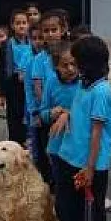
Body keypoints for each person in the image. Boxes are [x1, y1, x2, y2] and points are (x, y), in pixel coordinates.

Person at [49, 35, 111, 221]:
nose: (72, 66)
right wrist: (66, 115)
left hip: (92, 164)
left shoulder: (101, 91)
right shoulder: (82, 85)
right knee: (67, 207)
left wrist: (89, 168)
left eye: (76, 61)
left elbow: (96, 134)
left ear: (87, 63)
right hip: (69, 157)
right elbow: (77, 113)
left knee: (95, 209)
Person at [28, 12, 68, 184]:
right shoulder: (39, 60)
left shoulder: (71, 54)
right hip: (49, 114)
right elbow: (38, 88)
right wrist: (43, 111)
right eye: (46, 31)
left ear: (63, 29)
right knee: (49, 154)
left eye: (54, 29)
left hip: (72, 114)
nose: (50, 34)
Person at [37, 40, 79, 192]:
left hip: (78, 145)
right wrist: (51, 113)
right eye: (65, 65)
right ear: (56, 67)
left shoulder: (84, 84)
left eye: (74, 64)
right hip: (57, 144)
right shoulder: (52, 82)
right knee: (62, 186)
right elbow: (43, 113)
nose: (70, 69)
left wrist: (68, 113)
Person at [0, 9, 32, 145]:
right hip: (13, 85)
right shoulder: (7, 44)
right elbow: (1, 69)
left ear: (28, 24)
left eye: (24, 23)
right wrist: (1, 93)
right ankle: (15, 144)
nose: (21, 26)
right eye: (18, 23)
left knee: (29, 113)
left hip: (30, 84)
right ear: (12, 25)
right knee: (14, 116)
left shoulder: (33, 42)